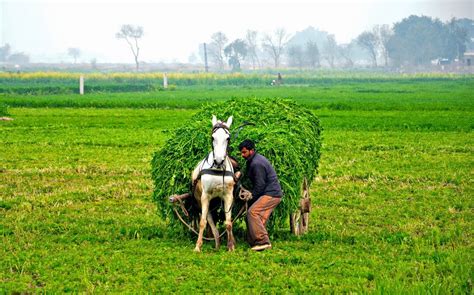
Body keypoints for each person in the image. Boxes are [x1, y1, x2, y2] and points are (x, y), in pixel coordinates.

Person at [238, 139, 283, 251]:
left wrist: (251, 195)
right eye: (241, 152)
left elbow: (260, 186)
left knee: (253, 212)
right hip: (270, 193)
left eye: (244, 152)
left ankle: (263, 242)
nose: (242, 155)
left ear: (251, 151)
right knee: (259, 217)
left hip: (271, 194)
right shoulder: (253, 160)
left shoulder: (257, 164)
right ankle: (254, 242)